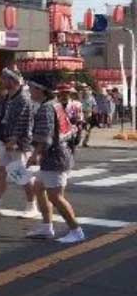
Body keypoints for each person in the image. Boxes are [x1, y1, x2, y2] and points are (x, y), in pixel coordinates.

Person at [25, 78, 85, 243]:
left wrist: (35, 154)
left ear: (40, 90)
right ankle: (46, 227)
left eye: (31, 88)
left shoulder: (46, 108)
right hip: (58, 154)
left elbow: (46, 136)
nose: (29, 91)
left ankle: (76, 230)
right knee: (39, 188)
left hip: (55, 156)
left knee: (56, 196)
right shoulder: (55, 104)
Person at [0, 69, 36, 218]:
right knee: (0, 172)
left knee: (21, 175)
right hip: (3, 141)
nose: (1, 81)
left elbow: (25, 123)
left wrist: (16, 139)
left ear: (13, 81)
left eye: (4, 78)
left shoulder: (24, 99)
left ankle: (32, 205)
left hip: (18, 143)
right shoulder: (5, 98)